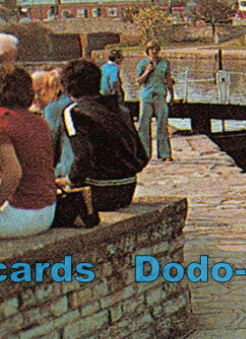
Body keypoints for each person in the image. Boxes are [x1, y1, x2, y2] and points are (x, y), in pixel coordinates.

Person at [59, 58, 147, 212]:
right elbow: (142, 155)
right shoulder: (119, 109)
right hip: (127, 189)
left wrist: (69, 181)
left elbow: (83, 156)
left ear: (68, 88)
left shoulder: (74, 111)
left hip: (99, 192)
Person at [0, 68, 57, 237]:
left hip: (23, 214)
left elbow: (14, 173)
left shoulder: (2, 121)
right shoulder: (39, 121)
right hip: (47, 212)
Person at [135, 41, 174, 160]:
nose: (155, 51)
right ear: (148, 51)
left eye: (156, 48)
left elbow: (168, 79)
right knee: (144, 124)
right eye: (152, 49)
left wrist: (172, 95)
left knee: (162, 124)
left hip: (160, 95)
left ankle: (164, 154)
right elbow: (138, 81)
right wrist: (147, 71)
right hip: (147, 96)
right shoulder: (142, 63)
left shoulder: (165, 63)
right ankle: (144, 154)